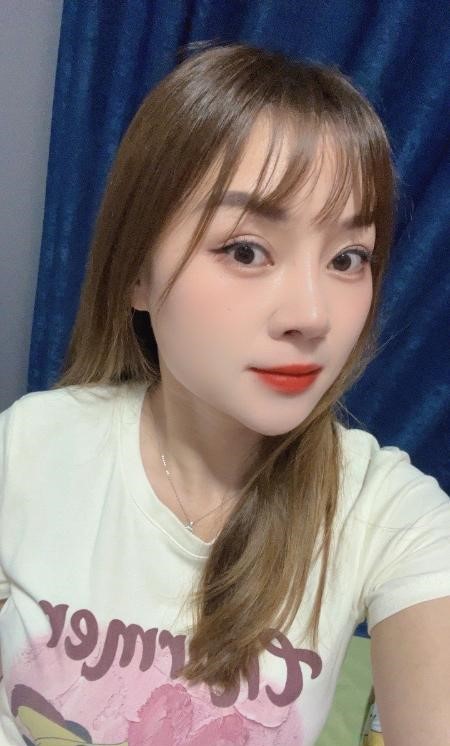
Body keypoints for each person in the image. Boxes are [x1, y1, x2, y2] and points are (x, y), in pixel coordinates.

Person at [0, 43, 449, 746]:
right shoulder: (28, 451)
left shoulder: (386, 512)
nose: (313, 316)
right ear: (136, 273)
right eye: (246, 250)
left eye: (347, 258)